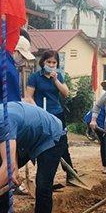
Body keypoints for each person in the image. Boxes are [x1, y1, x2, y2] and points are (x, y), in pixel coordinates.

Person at [0, 36, 35, 182]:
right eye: (22, 56)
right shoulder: (9, 69)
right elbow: (14, 104)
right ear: (15, 51)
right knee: (0, 150)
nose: (23, 60)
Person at [25, 50, 75, 184]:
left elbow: (66, 93)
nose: (51, 65)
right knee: (43, 144)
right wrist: (38, 111)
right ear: (43, 62)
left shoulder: (58, 76)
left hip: (57, 113)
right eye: (49, 62)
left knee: (62, 143)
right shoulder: (35, 77)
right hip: (41, 114)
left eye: (54, 62)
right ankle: (43, 176)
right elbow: (29, 97)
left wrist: (56, 80)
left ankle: (70, 173)